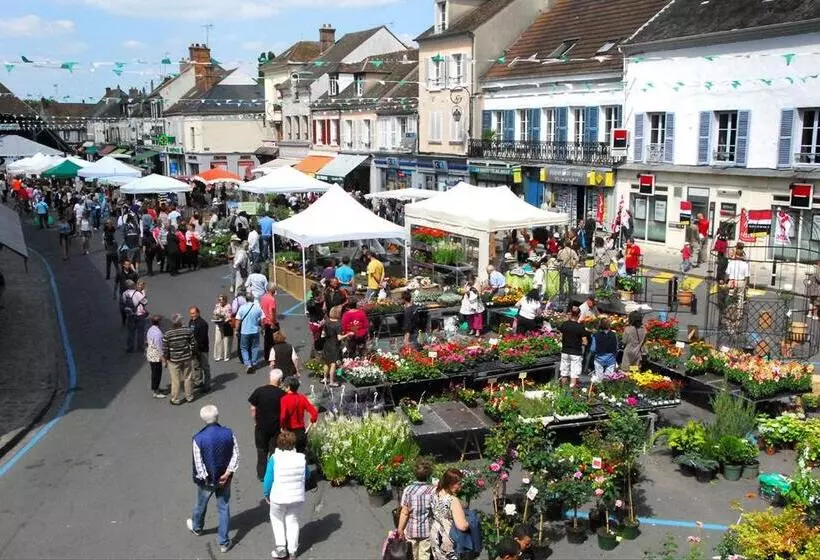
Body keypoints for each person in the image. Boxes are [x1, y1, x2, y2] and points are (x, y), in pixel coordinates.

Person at [187, 405, 239, 554]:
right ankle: (223, 542)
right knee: (224, 508)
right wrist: (227, 473)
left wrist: (208, 478)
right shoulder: (229, 433)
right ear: (217, 416)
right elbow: (236, 454)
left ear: (203, 419)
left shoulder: (198, 438)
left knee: (200, 504)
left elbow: (199, 464)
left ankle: (197, 527)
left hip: (207, 481)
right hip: (225, 479)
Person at [262, 430, 308, 560]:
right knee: (292, 521)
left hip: (279, 497)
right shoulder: (301, 458)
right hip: (296, 496)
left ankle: (281, 548)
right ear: (294, 443)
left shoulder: (274, 458)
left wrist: (266, 494)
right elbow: (307, 475)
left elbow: (268, 479)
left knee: (277, 519)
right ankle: (293, 551)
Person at [249, 368, 285, 481]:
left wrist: (256, 422)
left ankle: (261, 474)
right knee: (274, 452)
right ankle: (272, 474)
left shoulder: (259, 391)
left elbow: (253, 409)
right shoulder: (282, 394)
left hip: (261, 427)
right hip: (276, 428)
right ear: (280, 380)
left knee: (261, 451)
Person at [397, 457, 435, 560]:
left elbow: (405, 512)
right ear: (429, 475)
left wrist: (400, 529)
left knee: (411, 555)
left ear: (414, 473)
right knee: (424, 555)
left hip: (411, 530)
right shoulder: (432, 490)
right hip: (426, 530)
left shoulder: (408, 490)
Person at [429, 469, 470, 560]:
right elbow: (462, 526)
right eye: (459, 484)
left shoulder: (434, 493)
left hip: (435, 535)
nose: (461, 486)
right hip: (448, 538)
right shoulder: (452, 500)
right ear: (450, 484)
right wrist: (469, 523)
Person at [163, 313, 196, 405]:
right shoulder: (188, 331)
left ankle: (175, 398)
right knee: (188, 377)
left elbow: (165, 349)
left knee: (175, 380)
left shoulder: (167, 334)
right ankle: (189, 396)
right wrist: (192, 354)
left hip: (174, 360)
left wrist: (166, 359)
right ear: (180, 322)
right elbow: (193, 344)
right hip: (186, 358)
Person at [279, 376, 318, 453]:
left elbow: (283, 416)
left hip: (289, 431)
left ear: (289, 387)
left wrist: (282, 427)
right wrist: (309, 427)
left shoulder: (284, 399)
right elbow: (314, 413)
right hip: (301, 431)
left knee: (289, 455)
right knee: (301, 455)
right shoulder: (302, 398)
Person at [558, 306, 589, 388]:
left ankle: (563, 389)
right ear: (579, 315)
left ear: (571, 314)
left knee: (564, 371)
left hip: (565, 350)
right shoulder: (580, 327)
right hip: (576, 352)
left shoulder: (564, 324)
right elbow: (585, 342)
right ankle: (571, 389)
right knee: (574, 373)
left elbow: (560, 337)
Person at [237, 292, 264, 374]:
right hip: (255, 331)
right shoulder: (257, 308)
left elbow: (238, 320)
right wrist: (262, 328)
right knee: (255, 347)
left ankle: (248, 364)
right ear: (252, 299)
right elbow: (262, 320)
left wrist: (236, 330)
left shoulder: (242, 308)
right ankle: (254, 362)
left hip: (245, 331)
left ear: (246, 299)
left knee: (244, 348)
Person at [188, 307, 211, 393]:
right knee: (196, 367)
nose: (192, 315)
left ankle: (207, 385)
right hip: (194, 349)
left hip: (202, 349)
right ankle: (198, 382)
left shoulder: (203, 323)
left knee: (205, 367)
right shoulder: (191, 322)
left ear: (198, 313)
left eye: (193, 313)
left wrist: (196, 346)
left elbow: (203, 338)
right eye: (191, 313)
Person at [321, 305, 345, 386]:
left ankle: (325, 378)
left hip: (326, 344)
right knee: (333, 364)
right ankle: (331, 382)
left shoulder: (327, 322)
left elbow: (322, 335)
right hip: (334, 346)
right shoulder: (338, 324)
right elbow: (339, 338)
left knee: (326, 363)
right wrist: (348, 334)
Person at [123, 280, 149, 353]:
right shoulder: (137, 293)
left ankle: (130, 347)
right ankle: (140, 347)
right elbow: (145, 302)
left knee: (131, 332)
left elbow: (124, 302)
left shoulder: (124, 293)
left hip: (130, 315)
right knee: (140, 331)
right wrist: (144, 293)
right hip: (139, 314)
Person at [145, 315, 166, 398]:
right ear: (159, 322)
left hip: (150, 353)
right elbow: (159, 347)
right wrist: (163, 358)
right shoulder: (158, 333)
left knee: (155, 372)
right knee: (157, 373)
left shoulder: (151, 329)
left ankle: (156, 388)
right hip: (155, 356)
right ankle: (156, 391)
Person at [212, 294, 233, 362]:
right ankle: (218, 355)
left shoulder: (228, 306)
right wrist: (216, 316)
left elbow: (229, 316)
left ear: (225, 300)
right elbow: (214, 313)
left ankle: (226, 356)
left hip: (226, 325)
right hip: (218, 325)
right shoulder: (217, 305)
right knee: (218, 340)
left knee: (226, 341)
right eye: (219, 300)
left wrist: (223, 317)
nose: (220, 301)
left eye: (221, 300)